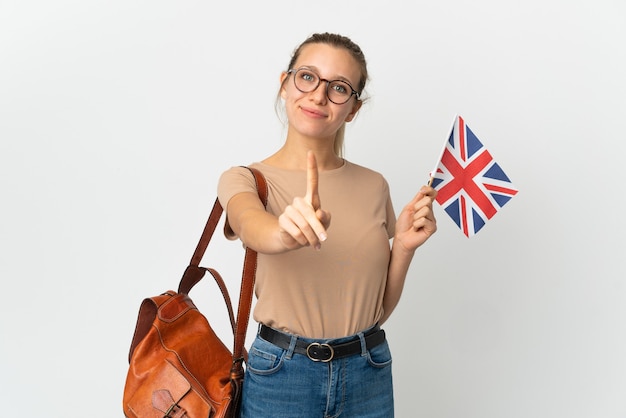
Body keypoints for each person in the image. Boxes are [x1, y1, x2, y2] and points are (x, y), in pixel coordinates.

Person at [217, 32, 437, 418]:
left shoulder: (374, 185)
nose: (318, 96)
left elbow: (375, 312)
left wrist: (402, 247)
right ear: (285, 84)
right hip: (281, 376)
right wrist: (283, 233)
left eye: (339, 88)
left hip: (368, 369)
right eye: (307, 77)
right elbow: (252, 225)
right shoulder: (245, 179)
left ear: (353, 107)